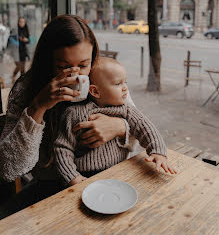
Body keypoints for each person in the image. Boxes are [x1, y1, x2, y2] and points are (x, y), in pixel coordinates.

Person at [0, 15, 130, 218]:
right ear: (47, 61)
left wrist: (121, 127)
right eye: (62, 67)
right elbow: (10, 169)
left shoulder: (102, 74)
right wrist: (38, 107)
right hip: (51, 186)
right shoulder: (26, 88)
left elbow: (139, 126)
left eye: (84, 64)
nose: (75, 75)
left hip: (107, 179)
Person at [54, 57, 177, 187]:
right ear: (95, 91)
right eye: (118, 84)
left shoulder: (127, 109)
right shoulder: (74, 114)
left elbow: (146, 128)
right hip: (85, 176)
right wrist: (73, 177)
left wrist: (157, 151)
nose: (125, 88)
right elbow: (62, 148)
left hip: (120, 169)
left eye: (125, 82)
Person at [11, 17, 30, 82]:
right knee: (19, 66)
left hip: (23, 51)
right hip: (16, 50)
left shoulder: (26, 29)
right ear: (18, 22)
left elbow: (28, 40)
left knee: (22, 67)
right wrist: (19, 39)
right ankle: (14, 75)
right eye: (20, 21)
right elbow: (11, 39)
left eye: (23, 22)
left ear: (25, 23)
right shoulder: (15, 30)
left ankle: (22, 81)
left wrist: (26, 40)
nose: (21, 23)